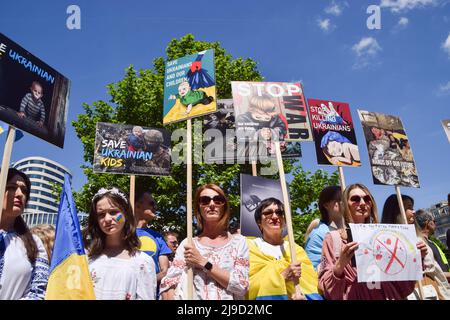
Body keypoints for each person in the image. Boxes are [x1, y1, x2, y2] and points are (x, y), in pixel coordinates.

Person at [318, 183, 425, 300]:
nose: (363, 203)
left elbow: (404, 288)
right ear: (345, 204)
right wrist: (340, 265)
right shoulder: (334, 238)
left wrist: (415, 259)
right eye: (355, 199)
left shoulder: (385, 236)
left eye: (367, 199)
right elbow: (327, 289)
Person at [160, 184, 249, 300]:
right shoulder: (188, 244)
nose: (212, 204)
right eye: (205, 200)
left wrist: (203, 262)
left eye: (218, 200)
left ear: (224, 206)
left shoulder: (239, 242)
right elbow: (168, 284)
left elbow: (241, 286)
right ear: (199, 208)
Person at [83, 187, 156, 300]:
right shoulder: (85, 257)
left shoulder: (143, 262)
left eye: (113, 212)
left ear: (125, 214)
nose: (107, 219)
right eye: (101, 214)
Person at [247, 198, 322, 300]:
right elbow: (247, 287)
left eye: (279, 212)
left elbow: (311, 284)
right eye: (268, 213)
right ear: (259, 222)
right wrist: (282, 276)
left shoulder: (296, 250)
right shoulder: (250, 248)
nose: (274, 216)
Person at [0, 168, 49, 300]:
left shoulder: (34, 243)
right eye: (11, 187)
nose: (19, 194)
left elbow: (38, 291)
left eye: (24, 190)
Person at [135, 189, 172, 285]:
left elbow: (165, 271)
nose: (155, 207)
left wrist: (145, 284)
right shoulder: (122, 234)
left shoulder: (158, 237)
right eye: (151, 203)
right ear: (137, 205)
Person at [305, 186, 344, 269]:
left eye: (346, 198)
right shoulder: (318, 233)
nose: (344, 202)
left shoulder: (351, 228)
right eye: (340, 198)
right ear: (326, 205)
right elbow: (313, 268)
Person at [415, 209, 450, 299]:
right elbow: (431, 271)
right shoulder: (421, 243)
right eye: (434, 221)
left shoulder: (431, 242)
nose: (436, 224)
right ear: (428, 223)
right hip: (437, 290)